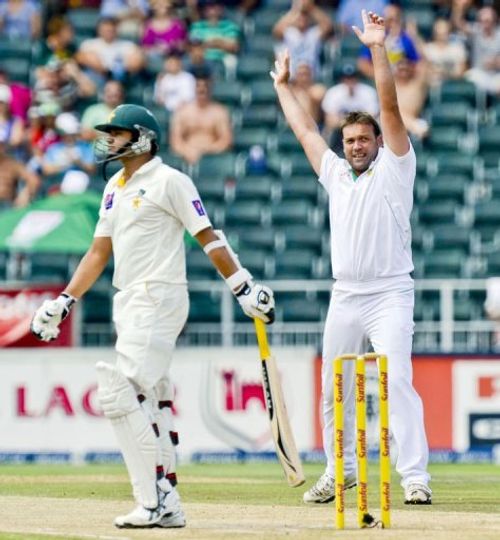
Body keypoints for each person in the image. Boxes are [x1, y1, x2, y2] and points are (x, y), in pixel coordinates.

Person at [30, 103, 275, 529]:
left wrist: (243, 286)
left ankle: (151, 500)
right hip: (128, 300)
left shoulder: (170, 180)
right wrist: (65, 299)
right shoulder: (114, 188)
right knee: (152, 399)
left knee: (118, 393)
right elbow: (98, 252)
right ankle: (168, 502)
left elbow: (208, 236)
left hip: (160, 295)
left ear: (142, 137)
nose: (109, 140)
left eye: (118, 132)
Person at [270, 10, 431, 506]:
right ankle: (340, 471)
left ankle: (415, 478)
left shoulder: (396, 168)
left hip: (389, 292)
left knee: (396, 379)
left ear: (378, 143)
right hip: (346, 294)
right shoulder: (336, 174)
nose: (356, 146)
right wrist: (282, 87)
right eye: (350, 141)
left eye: (364, 140)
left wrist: (378, 48)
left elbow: (389, 108)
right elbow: (304, 132)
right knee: (331, 386)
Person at [169, 72, 232, 164]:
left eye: (205, 86)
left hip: (212, 159)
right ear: (193, 88)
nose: (202, 89)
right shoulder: (182, 112)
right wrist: (187, 151)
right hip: (187, 157)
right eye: (198, 86)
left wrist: (208, 151)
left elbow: (226, 141)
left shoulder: (219, 112)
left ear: (210, 88)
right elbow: (175, 140)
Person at [273, 0, 333, 78]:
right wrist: (296, 9)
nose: (302, 21)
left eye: (305, 18)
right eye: (299, 18)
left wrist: (311, 7)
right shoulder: (290, 32)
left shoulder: (313, 33)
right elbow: (276, 30)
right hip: (291, 76)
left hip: (311, 75)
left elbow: (327, 25)